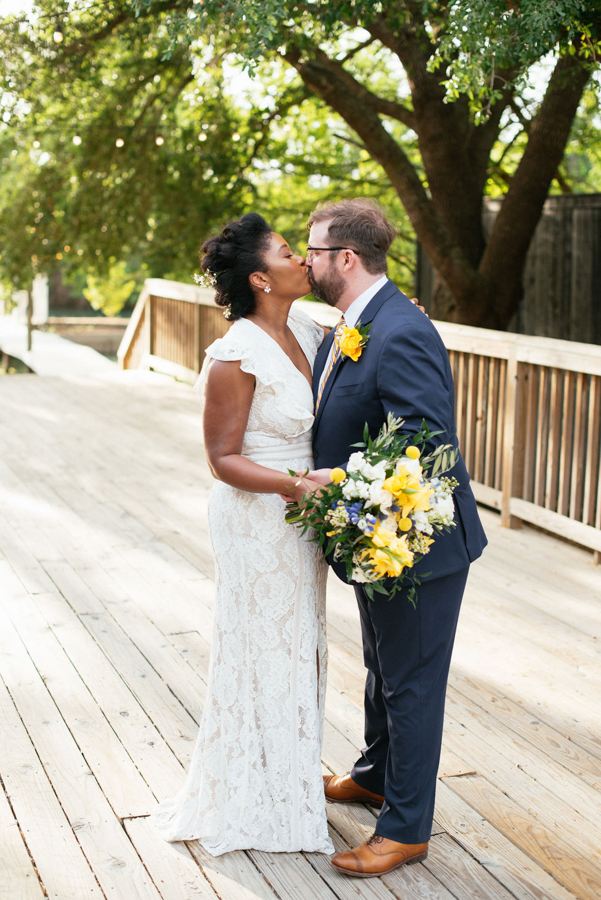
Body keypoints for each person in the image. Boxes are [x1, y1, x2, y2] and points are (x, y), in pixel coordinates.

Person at [300, 198, 488, 878]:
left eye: (314, 251)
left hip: (418, 545)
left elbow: (425, 441)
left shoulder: (399, 330)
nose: (305, 260)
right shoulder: (351, 324)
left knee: (410, 683)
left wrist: (342, 476)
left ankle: (405, 827)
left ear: (345, 259)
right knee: (383, 673)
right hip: (374, 536)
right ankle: (375, 775)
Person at [151, 212, 334, 856]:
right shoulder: (236, 352)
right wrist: (294, 485)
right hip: (259, 518)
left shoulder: (312, 330)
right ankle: (250, 790)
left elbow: (368, 338)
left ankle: (287, 776)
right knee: (260, 644)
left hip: (304, 520)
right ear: (261, 277)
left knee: (298, 642)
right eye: (290, 253)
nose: (304, 260)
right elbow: (222, 459)